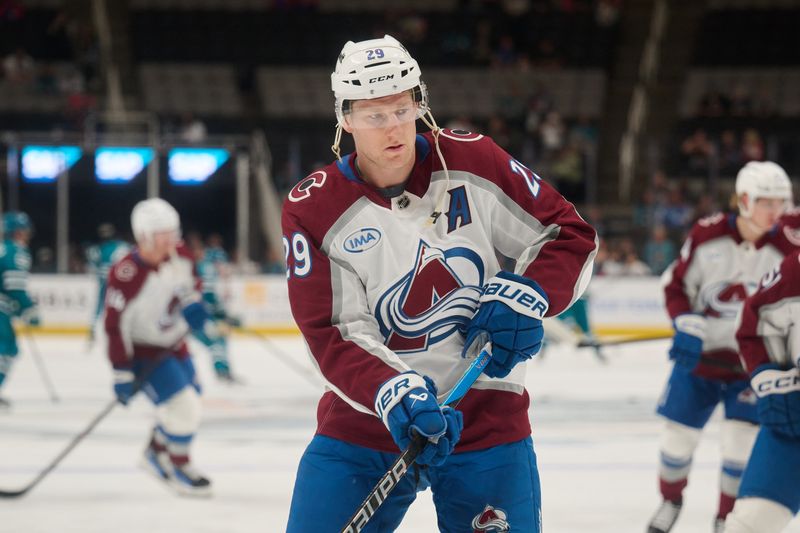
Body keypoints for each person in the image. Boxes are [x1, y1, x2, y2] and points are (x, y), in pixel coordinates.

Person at [282, 35, 598, 531]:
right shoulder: (314, 209)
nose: (393, 128)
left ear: (420, 103)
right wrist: (394, 391)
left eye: (402, 109)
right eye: (374, 115)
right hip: (368, 419)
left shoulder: (475, 161)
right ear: (344, 118)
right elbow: (333, 330)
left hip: (486, 411)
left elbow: (569, 235)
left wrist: (529, 294)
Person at [647, 161, 799, 533]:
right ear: (744, 199)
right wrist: (684, 320)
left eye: (781, 202)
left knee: (739, 447)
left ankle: (724, 518)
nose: (775, 211)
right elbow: (676, 286)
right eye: (766, 201)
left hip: (750, 369)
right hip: (700, 360)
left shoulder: (788, 248)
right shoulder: (706, 234)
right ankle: (671, 498)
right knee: (676, 443)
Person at [104, 198, 224, 497]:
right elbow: (114, 325)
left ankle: (155, 452)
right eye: (163, 233)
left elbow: (188, 286)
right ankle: (177, 463)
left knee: (192, 398)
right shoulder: (126, 273)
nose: (172, 239)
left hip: (174, 344)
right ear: (144, 235)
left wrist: (194, 305)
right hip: (144, 351)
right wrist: (121, 371)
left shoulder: (180, 254)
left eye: (174, 231)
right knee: (183, 406)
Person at [724, 250, 800, 533]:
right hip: (794, 423)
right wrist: (771, 380)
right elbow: (752, 325)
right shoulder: (795, 271)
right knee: (749, 525)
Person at [0, 212, 40, 408]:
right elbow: (14, 286)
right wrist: (27, 309)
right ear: (17, 232)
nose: (26, 235)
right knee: (6, 349)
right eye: (24, 231)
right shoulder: (16, 251)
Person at [193, 242, 240, 382]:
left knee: (220, 339)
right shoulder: (207, 269)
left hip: (202, 317)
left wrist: (224, 315)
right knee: (216, 340)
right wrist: (223, 314)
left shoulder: (207, 269)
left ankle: (223, 370)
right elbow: (208, 297)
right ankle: (221, 371)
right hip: (199, 318)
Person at [85, 223, 130, 345]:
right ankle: (119, 330)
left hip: (103, 280)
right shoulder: (121, 247)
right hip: (116, 280)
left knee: (99, 306)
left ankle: (93, 330)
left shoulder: (96, 249)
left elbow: (92, 265)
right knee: (119, 304)